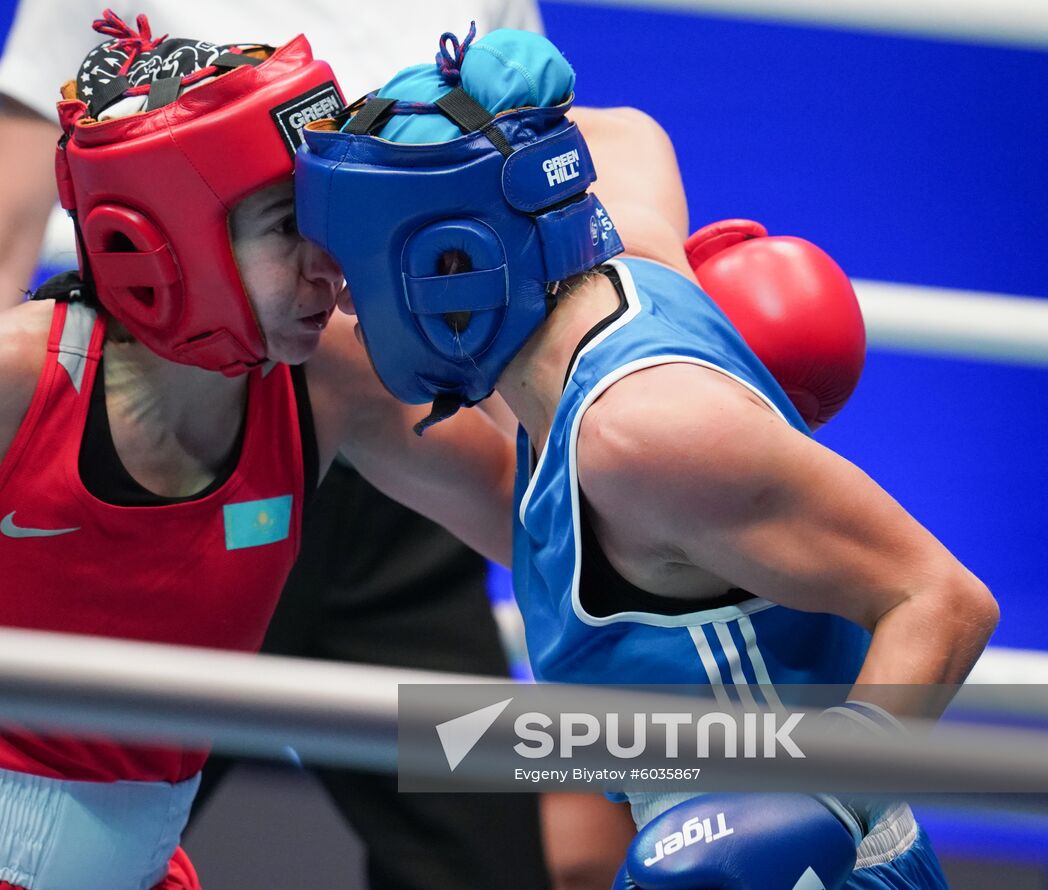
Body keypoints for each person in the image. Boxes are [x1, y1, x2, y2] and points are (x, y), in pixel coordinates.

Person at [0, 19, 527, 889]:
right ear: (171, 238)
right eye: (285, 227)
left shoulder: (329, 380)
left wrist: (572, 324)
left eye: (326, 224)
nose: (326, 269)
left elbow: (542, 534)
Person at [0, 1, 632, 887]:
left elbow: (519, 257)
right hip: (177, 500)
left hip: (391, 482)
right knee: (83, 835)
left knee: (479, 867)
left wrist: (592, 671)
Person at [296, 25, 997, 889]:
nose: (349, 308)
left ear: (453, 264)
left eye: (361, 274)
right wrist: (458, 112)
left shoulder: (645, 434)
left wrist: (828, 800)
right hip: (681, 826)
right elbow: (622, 129)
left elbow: (945, 598)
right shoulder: (613, 251)